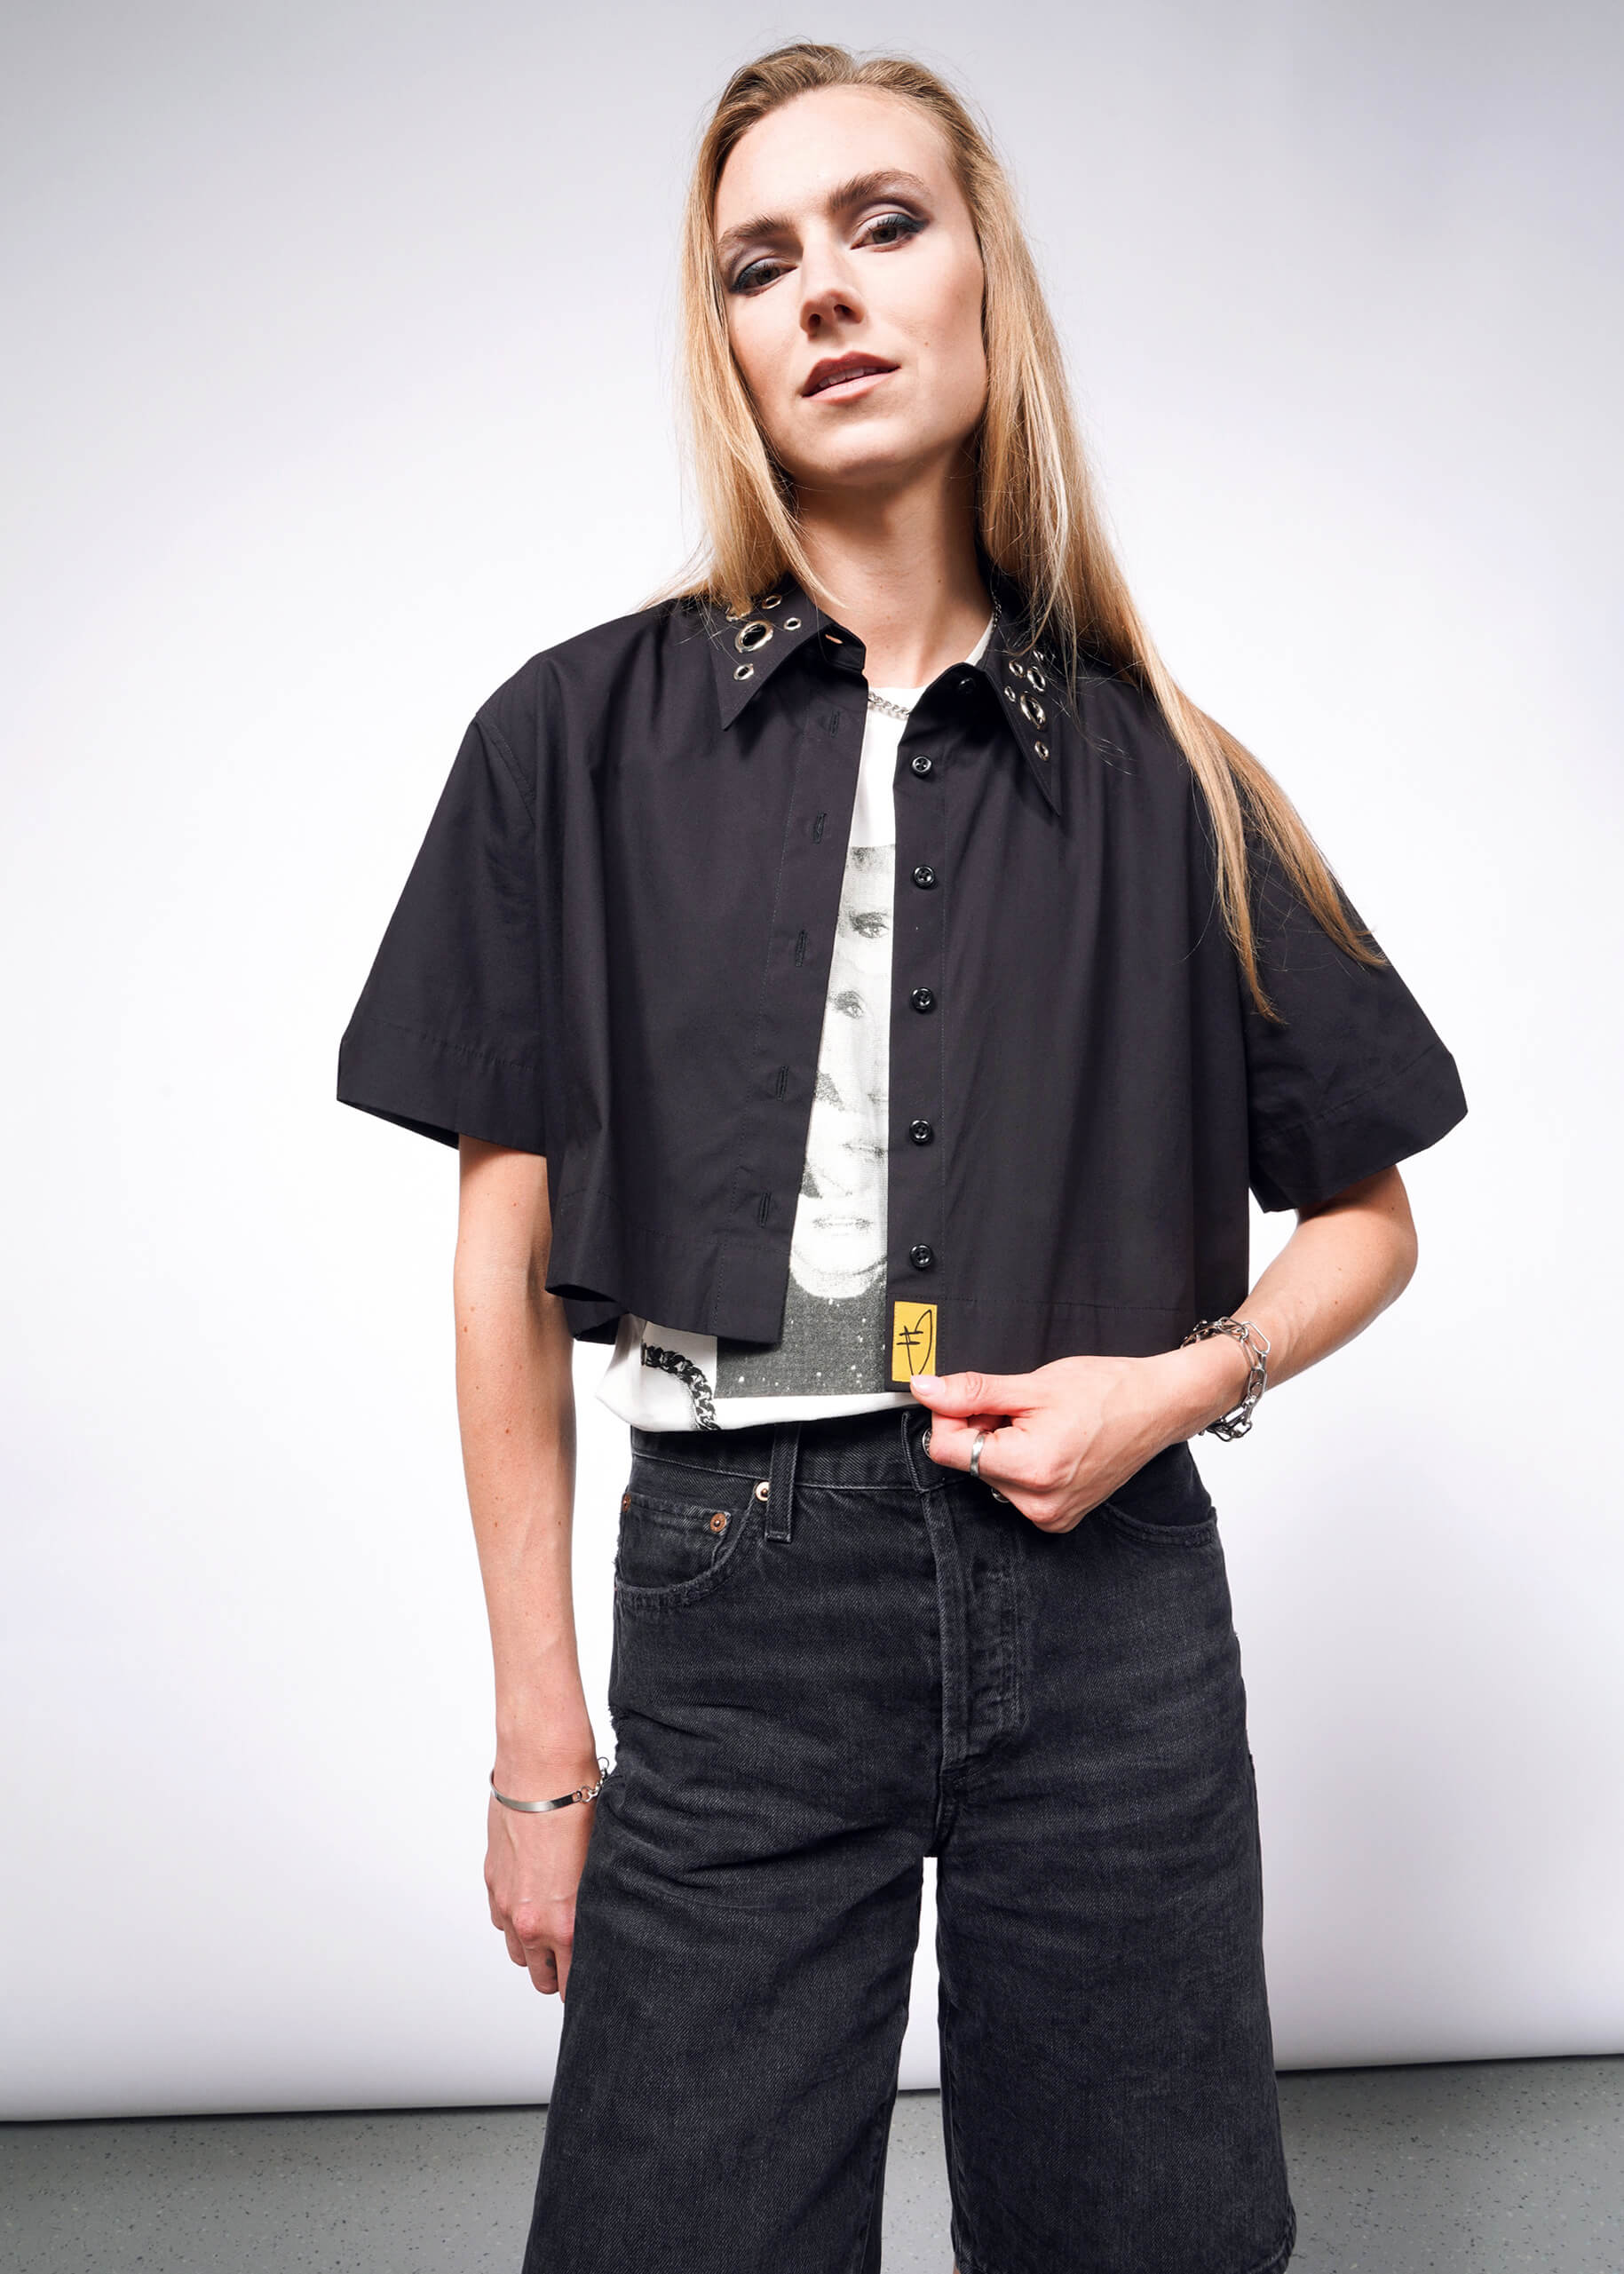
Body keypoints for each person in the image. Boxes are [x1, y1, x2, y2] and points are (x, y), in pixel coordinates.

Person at [336, 41, 1467, 2274]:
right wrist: (539, 1739)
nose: (824, 296)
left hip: (1112, 1603)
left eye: (883, 226)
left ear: (984, 284)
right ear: (727, 343)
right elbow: (502, 1262)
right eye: (760, 263)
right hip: (737, 1596)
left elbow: (1371, 1219)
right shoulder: (567, 741)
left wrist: (1176, 1387)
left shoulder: (1171, 776)